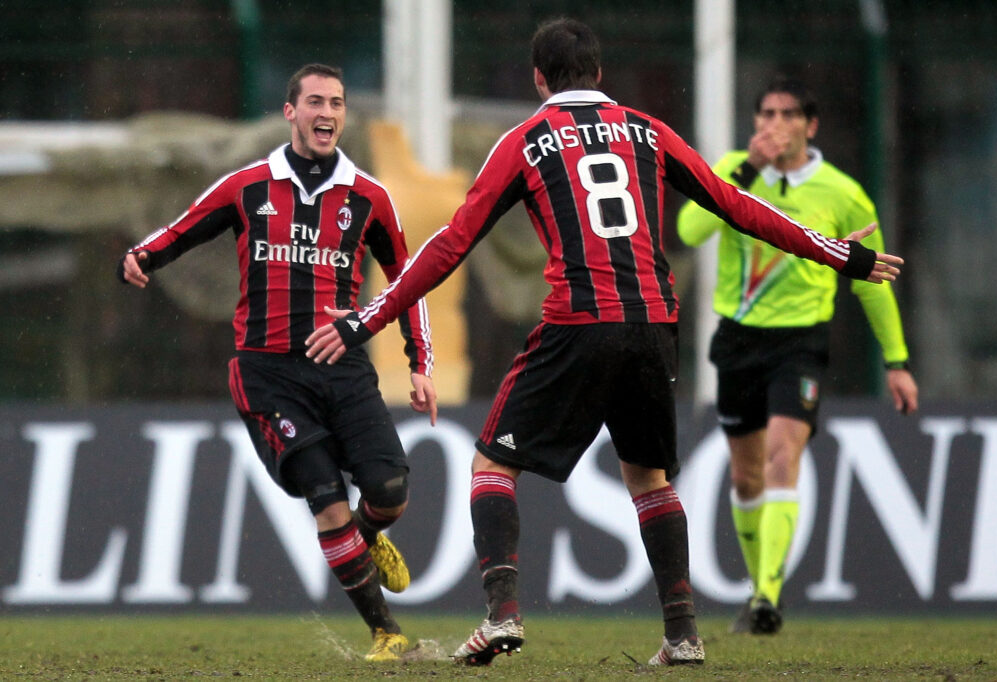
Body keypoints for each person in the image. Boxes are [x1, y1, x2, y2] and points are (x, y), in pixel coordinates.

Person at [305, 20, 903, 667]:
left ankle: (502, 615)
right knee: (648, 478)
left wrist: (368, 319)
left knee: (492, 468)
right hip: (653, 324)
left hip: (579, 320)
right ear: (600, 74)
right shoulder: (647, 130)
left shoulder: (527, 141)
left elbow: (453, 242)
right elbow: (735, 205)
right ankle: (682, 634)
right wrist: (840, 255)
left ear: (539, 78)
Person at [117, 63, 438, 662]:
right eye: (314, 101)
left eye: (337, 103)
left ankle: (369, 538)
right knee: (325, 494)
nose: (327, 113)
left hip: (342, 368)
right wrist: (140, 256)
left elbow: (408, 281)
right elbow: (184, 228)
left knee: (390, 491)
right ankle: (387, 634)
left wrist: (420, 361)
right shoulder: (247, 185)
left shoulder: (368, 196)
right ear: (290, 111)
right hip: (269, 375)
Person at [677, 75, 919, 635]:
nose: (773, 125)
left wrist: (897, 361)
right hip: (738, 338)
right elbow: (690, 230)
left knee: (785, 454)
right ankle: (757, 585)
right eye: (765, 114)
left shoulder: (842, 192)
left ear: (810, 127)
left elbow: (871, 280)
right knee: (745, 477)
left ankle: (766, 595)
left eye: (787, 115)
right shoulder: (734, 169)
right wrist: (744, 175)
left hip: (801, 343)